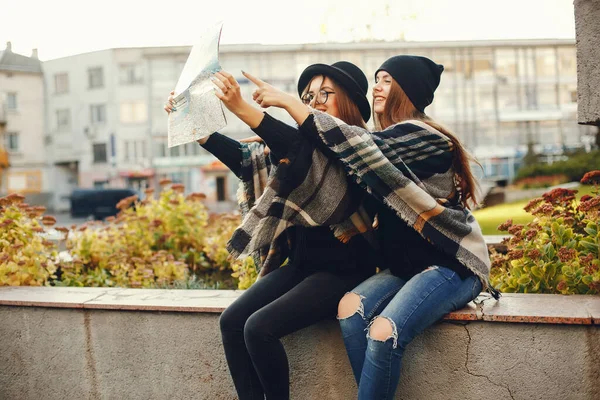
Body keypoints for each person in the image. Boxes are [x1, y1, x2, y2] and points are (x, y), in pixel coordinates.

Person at [250, 55, 498, 400]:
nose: (377, 88)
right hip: (405, 268)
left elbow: (361, 146)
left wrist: (290, 103)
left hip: (449, 264)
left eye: (385, 81)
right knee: (349, 310)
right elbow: (324, 163)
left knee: (384, 331)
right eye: (377, 80)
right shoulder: (385, 141)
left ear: (406, 90)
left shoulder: (424, 138)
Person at [165, 61, 377, 400]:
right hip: (302, 266)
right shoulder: (301, 146)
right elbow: (249, 161)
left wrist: (242, 108)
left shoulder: (360, 144)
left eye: (326, 93)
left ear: (350, 100)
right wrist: (192, 123)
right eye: (308, 95)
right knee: (232, 322)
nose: (315, 100)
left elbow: (299, 149)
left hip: (345, 271)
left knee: (259, 328)